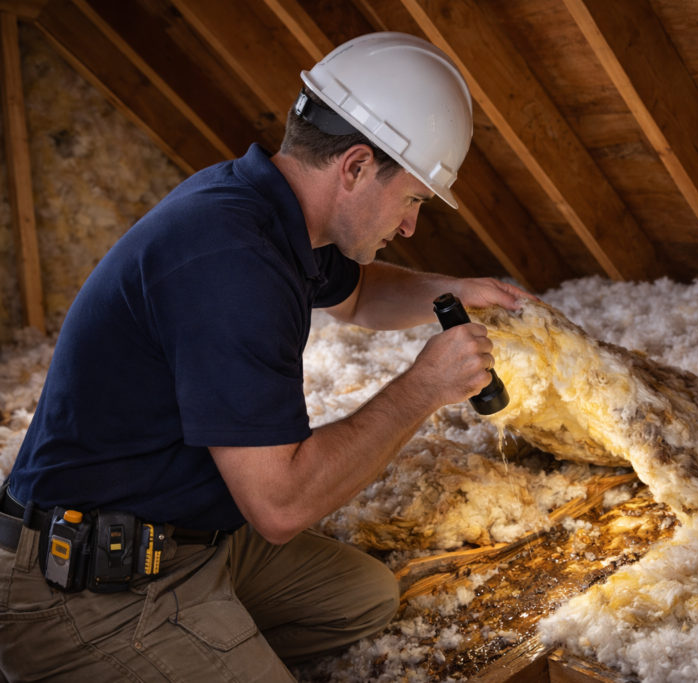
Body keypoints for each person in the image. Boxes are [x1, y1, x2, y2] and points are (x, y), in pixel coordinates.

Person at [0, 33, 532, 682]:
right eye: (414, 199)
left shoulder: (273, 209)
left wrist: (453, 291)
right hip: (84, 586)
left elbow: (359, 296)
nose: (412, 226)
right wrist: (424, 386)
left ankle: (202, 628)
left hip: (187, 536)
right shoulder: (235, 261)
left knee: (361, 598)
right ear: (357, 167)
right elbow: (280, 506)